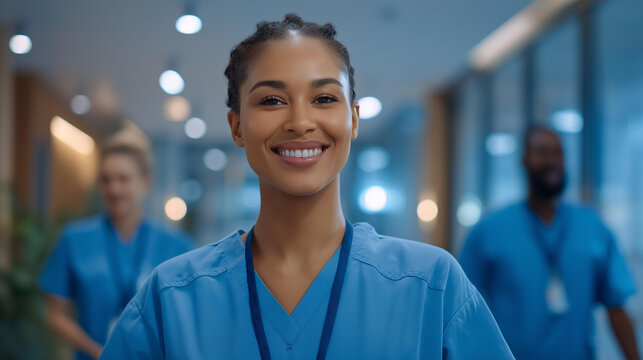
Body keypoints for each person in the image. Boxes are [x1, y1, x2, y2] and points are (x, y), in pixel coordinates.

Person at [100, 14, 513, 360]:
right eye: (272, 101)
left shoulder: (431, 287)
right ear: (237, 126)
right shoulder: (172, 299)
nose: (299, 121)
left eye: (325, 99)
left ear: (353, 119)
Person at [459, 126, 640, 360]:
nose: (552, 161)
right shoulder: (489, 231)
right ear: (524, 160)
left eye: (558, 153)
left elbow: (616, 307)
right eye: (542, 152)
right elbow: (462, 309)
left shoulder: (592, 227)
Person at [40, 125, 194, 360]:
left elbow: (188, 316)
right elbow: (54, 314)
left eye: (123, 179)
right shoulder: (74, 239)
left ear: (146, 182)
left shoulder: (176, 246)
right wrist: (99, 353)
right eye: (106, 180)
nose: (114, 189)